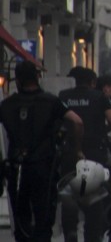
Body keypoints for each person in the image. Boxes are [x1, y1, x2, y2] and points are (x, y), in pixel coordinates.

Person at [0, 61, 83, 242]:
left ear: (18, 80)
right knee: (43, 217)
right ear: (37, 77)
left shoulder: (6, 105)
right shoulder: (51, 102)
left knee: (20, 218)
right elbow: (76, 121)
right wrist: (77, 150)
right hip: (44, 167)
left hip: (17, 168)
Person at [58, 67, 111, 242]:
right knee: (93, 200)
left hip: (69, 153)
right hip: (93, 154)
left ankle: (70, 231)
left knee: (69, 196)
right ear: (93, 82)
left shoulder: (63, 96)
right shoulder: (99, 97)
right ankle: (92, 236)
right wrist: (102, 131)